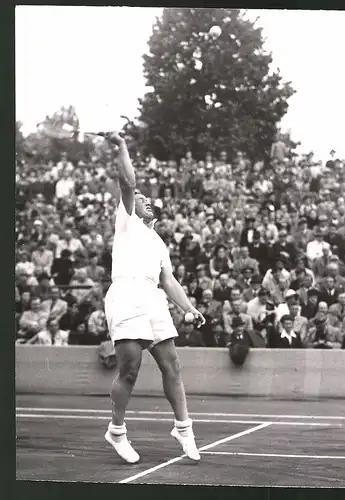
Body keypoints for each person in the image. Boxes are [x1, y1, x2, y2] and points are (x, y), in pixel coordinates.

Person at [102, 132, 205, 464]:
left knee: (171, 364)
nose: (141, 197)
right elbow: (128, 181)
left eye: (146, 198)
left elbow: (168, 280)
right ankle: (116, 431)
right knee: (130, 368)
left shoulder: (158, 242)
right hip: (125, 293)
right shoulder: (127, 220)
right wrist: (122, 147)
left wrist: (189, 307)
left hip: (153, 297)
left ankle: (184, 428)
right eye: (138, 196)